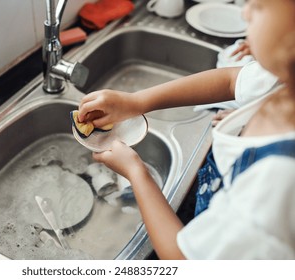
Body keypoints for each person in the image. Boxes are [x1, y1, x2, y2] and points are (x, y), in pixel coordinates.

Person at [77, 0, 295, 259]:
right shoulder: (282, 79)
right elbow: (230, 80)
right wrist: (136, 101)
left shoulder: (278, 179)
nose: (244, 13)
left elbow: (183, 260)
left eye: (258, 7)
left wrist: (137, 173)